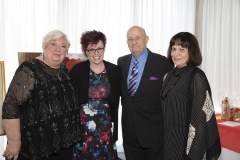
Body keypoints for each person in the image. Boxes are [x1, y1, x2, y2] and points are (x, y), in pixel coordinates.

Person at [1, 30, 81, 160]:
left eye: (63, 46)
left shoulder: (64, 70)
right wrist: (14, 142)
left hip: (64, 145)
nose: (58, 49)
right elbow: (11, 107)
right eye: (53, 44)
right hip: (38, 147)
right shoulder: (29, 69)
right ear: (44, 46)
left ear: (66, 52)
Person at [160, 32, 221, 160]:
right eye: (174, 49)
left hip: (185, 146)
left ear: (191, 51)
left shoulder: (196, 76)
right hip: (168, 142)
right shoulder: (168, 76)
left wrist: (193, 154)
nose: (176, 54)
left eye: (182, 49)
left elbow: (200, 120)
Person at [117, 26, 174, 160]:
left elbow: (170, 98)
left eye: (138, 38)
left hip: (154, 134)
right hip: (129, 134)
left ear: (146, 39)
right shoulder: (121, 62)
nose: (134, 42)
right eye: (130, 39)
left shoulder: (164, 63)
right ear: (127, 43)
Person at [69, 30, 121, 160]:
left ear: (104, 48)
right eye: (91, 50)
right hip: (83, 128)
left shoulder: (114, 71)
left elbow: (118, 101)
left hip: (105, 127)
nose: (96, 53)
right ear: (86, 52)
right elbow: (69, 100)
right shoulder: (77, 71)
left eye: (99, 48)